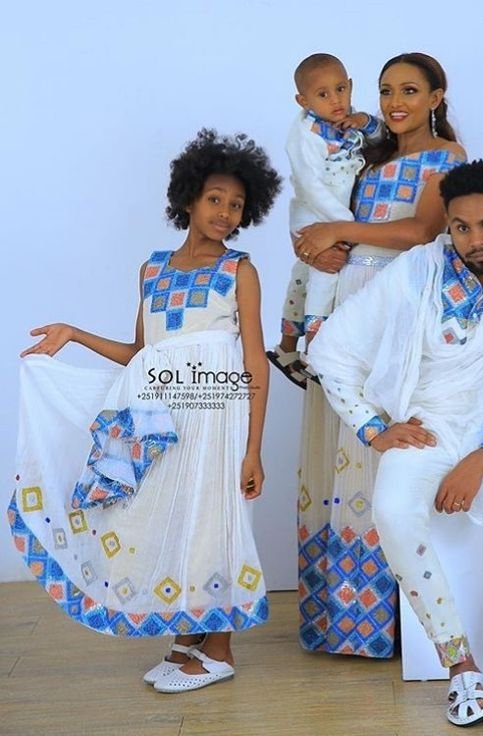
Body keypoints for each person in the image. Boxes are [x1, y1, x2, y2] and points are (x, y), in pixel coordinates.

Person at [308, 159, 483, 726]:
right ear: (448, 225)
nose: (475, 239)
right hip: (431, 427)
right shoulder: (415, 272)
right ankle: (459, 665)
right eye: (462, 227)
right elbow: (330, 349)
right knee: (393, 510)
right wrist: (373, 427)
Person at [8, 129, 282, 693]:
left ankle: (221, 648)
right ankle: (187, 632)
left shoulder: (239, 271)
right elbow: (142, 351)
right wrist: (75, 334)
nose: (225, 213)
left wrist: (253, 447)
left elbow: (256, 361)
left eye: (236, 205)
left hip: (216, 415)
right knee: (167, 515)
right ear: (188, 199)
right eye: (214, 199)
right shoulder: (152, 270)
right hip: (158, 411)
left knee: (214, 516)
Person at [293, 52, 466, 659]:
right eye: (387, 90)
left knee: (387, 441)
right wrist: (319, 249)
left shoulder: (448, 159)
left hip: (398, 305)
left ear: (436, 97)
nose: (395, 102)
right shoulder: (367, 159)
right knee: (344, 440)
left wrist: (341, 233)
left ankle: (401, 626)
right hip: (347, 300)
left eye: (410, 91)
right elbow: (325, 218)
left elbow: (422, 231)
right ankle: (343, 622)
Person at [267, 53, 382, 388]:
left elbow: (379, 138)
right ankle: (315, 352)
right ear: (303, 101)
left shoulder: (346, 120)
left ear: (351, 86)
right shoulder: (305, 134)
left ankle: (287, 347)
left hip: (334, 216)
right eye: (323, 94)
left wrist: (364, 121)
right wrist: (345, 223)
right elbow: (310, 186)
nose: (336, 100)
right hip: (316, 215)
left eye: (341, 89)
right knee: (325, 275)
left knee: (303, 277)